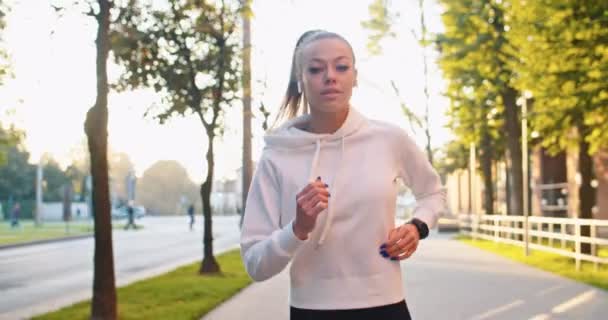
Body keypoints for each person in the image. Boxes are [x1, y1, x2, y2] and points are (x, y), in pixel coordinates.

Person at [240, 30, 446, 319]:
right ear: (301, 80)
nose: (330, 76)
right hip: (312, 309)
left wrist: (417, 227)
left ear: (355, 77)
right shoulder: (276, 155)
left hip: (386, 306)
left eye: (341, 66)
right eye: (315, 69)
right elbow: (255, 265)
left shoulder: (389, 139)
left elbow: (432, 192)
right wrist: (297, 228)